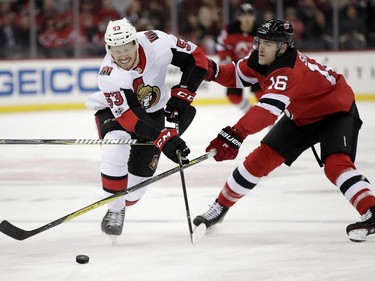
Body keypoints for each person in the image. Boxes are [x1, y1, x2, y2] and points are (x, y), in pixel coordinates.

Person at [193, 18, 375, 242]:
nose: (261, 47)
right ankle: (219, 208)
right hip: (301, 116)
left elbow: (267, 111)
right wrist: (210, 70)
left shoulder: (288, 71)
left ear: (283, 47)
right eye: (260, 41)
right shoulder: (260, 60)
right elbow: (234, 74)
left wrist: (237, 133)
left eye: (268, 43)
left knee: (336, 164)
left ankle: (371, 211)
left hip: (335, 113)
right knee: (257, 161)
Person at [85, 18, 207, 239]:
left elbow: (197, 57)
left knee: (137, 188)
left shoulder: (157, 43)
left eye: (126, 48)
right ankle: (114, 210)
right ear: (108, 49)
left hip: (154, 112)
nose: (122, 55)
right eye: (116, 50)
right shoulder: (109, 75)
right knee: (115, 147)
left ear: (135, 42)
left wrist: (184, 95)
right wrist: (163, 138)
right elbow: (130, 118)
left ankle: (121, 204)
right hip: (115, 114)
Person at [216, 3, 263, 112]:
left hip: (257, 67)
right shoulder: (229, 30)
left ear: (254, 17)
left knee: (260, 94)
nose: (247, 18)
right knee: (233, 96)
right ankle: (250, 113)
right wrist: (223, 60)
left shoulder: (261, 31)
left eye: (250, 15)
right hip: (237, 67)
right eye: (244, 15)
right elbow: (221, 44)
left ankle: (268, 116)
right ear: (239, 17)